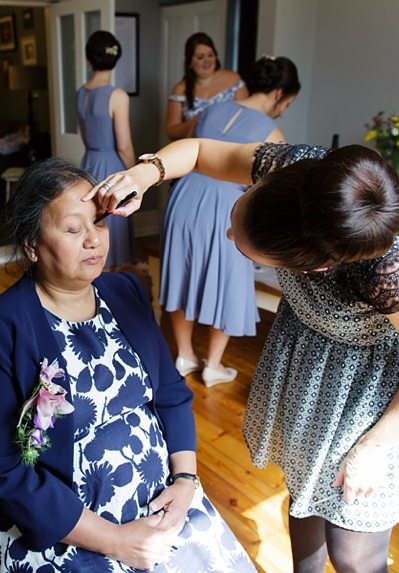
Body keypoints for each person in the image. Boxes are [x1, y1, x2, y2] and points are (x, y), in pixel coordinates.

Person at [89, 140, 399, 572]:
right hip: (310, 355)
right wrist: (143, 174)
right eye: (239, 214)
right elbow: (197, 152)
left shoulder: (393, 268)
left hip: (380, 389)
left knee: (352, 544)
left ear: (312, 268)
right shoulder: (298, 175)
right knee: (303, 494)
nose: (230, 235)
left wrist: (373, 448)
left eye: (243, 246)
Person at [0, 158, 256, 572]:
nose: (93, 240)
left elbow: (170, 394)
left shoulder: (125, 290)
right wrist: (114, 540)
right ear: (31, 244)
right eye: (74, 229)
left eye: (98, 223)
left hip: (162, 500)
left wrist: (186, 480)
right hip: (62, 522)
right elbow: (1, 469)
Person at [160, 55, 300, 387]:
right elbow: (270, 189)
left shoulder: (209, 110)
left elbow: (190, 148)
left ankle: (183, 355)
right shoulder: (273, 132)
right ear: (280, 93)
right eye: (289, 102)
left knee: (183, 272)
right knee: (225, 280)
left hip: (184, 196)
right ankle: (214, 365)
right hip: (226, 205)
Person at [77, 30, 136, 266]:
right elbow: (124, 145)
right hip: (112, 165)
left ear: (89, 59)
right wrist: (135, 176)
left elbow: (84, 134)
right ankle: (115, 276)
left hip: (88, 162)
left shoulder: (80, 93)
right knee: (115, 225)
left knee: (94, 222)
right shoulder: (117, 95)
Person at [164, 32, 248, 141]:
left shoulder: (233, 79)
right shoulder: (180, 90)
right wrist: (195, 123)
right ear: (190, 62)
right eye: (200, 57)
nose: (207, 61)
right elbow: (170, 131)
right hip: (196, 150)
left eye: (210, 55)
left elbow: (247, 116)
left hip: (232, 146)